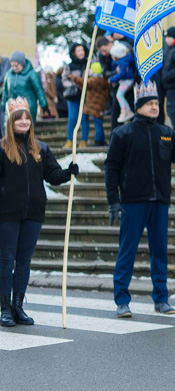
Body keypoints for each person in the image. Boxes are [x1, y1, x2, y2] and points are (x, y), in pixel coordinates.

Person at [104, 82, 175, 318]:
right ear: (139, 107)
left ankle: (161, 298)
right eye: (150, 104)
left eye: (156, 103)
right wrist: (113, 200)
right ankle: (122, 300)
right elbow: (111, 168)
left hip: (160, 202)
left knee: (160, 251)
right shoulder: (122, 133)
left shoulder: (166, 132)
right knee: (127, 251)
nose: (155, 107)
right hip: (133, 202)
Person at [0, 97, 77, 327]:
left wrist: (67, 173)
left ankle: (18, 306)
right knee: (6, 261)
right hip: (7, 214)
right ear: (11, 122)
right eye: (19, 118)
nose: (24, 121)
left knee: (24, 262)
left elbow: (52, 175)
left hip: (33, 213)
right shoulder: (2, 148)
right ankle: (4, 307)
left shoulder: (41, 148)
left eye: (27, 118)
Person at [1, 52, 47, 128]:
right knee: (10, 127)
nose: (14, 68)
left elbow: (39, 90)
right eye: (12, 66)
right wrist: (3, 104)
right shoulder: (8, 74)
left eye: (16, 65)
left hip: (28, 105)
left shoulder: (32, 74)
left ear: (22, 63)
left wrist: (44, 104)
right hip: (12, 105)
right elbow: (5, 91)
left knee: (26, 127)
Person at [61, 43, 93, 148]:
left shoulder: (88, 64)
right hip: (73, 95)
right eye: (78, 50)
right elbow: (64, 79)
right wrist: (73, 85)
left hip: (86, 95)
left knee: (84, 117)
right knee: (73, 117)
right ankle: (69, 140)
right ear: (74, 53)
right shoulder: (69, 66)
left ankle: (84, 140)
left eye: (82, 50)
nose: (81, 52)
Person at [69, 62, 108, 146]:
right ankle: (101, 139)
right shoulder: (103, 80)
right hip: (100, 106)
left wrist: (75, 78)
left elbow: (85, 84)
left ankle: (98, 140)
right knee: (98, 122)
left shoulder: (93, 80)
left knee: (93, 122)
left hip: (92, 105)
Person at [108, 41, 136, 123]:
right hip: (126, 80)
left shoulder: (122, 63)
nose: (112, 57)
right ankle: (126, 111)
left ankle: (126, 111)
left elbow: (122, 74)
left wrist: (112, 79)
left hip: (128, 80)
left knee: (119, 95)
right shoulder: (125, 60)